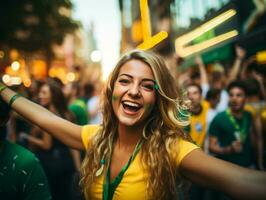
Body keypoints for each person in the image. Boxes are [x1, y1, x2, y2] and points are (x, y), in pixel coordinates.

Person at [0, 50, 266, 200]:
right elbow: (44, 118)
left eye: (147, 86)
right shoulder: (98, 138)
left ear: (157, 98)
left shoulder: (170, 149)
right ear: (112, 89)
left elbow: (243, 180)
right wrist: (3, 89)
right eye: (125, 81)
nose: (134, 91)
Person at [0, 97, 51, 200]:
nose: (41, 95)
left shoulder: (47, 118)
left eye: (44, 93)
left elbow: (46, 144)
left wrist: (28, 138)